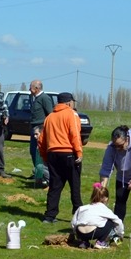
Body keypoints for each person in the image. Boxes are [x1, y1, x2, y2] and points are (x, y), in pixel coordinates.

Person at [98, 125, 131, 242]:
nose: (118, 149)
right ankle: (117, 229)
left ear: (127, 139)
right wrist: (102, 189)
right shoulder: (112, 147)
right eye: (116, 146)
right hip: (123, 175)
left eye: (120, 146)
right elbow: (106, 168)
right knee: (120, 199)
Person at [38, 92, 83, 223]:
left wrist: (44, 156)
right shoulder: (72, 114)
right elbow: (75, 134)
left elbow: (42, 140)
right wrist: (79, 152)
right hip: (68, 153)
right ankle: (78, 215)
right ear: (69, 102)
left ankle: (50, 215)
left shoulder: (49, 117)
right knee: (75, 185)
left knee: (55, 185)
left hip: (52, 154)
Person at [72, 183, 124, 249]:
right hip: (93, 232)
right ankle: (100, 242)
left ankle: (84, 242)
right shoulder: (105, 209)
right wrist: (120, 234)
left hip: (80, 233)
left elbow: (73, 222)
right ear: (106, 199)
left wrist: (77, 235)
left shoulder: (82, 208)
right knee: (111, 222)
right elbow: (118, 221)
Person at [28, 80, 54, 187]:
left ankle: (44, 176)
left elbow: (50, 115)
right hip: (34, 128)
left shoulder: (45, 98)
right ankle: (38, 174)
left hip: (41, 129)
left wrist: (43, 129)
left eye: (31, 87)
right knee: (33, 151)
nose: (29, 89)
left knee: (39, 153)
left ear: (37, 88)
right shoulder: (34, 98)